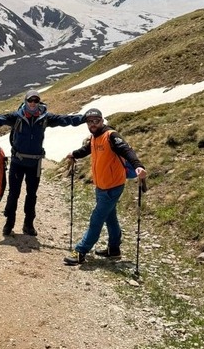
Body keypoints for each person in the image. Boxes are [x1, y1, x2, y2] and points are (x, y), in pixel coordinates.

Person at [0, 90, 86, 237]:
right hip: (17, 162)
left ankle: (28, 225)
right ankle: (9, 223)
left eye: (36, 101)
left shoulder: (45, 118)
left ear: (39, 102)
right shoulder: (17, 117)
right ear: (25, 101)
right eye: (30, 100)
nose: (33, 103)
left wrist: (84, 118)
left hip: (34, 163)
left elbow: (65, 120)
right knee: (14, 193)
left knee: (31, 195)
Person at [63, 107, 147, 265]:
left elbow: (126, 150)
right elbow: (87, 149)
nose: (93, 124)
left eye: (96, 121)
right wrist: (74, 154)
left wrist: (138, 166)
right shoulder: (95, 137)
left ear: (102, 120)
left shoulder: (111, 136)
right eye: (90, 122)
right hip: (101, 186)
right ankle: (114, 249)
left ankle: (81, 251)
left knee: (96, 218)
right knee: (110, 217)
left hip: (112, 186)